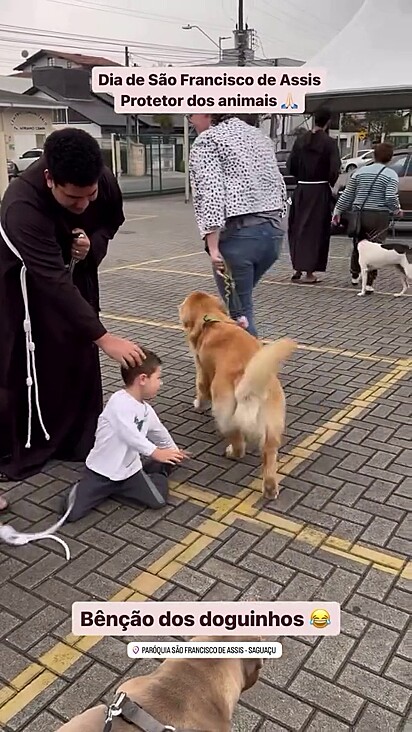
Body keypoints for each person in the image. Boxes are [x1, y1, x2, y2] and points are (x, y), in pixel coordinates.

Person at [0, 128, 145, 488]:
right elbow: (50, 280)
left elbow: (111, 222)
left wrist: (90, 244)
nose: (84, 204)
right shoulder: (22, 204)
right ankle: (30, 442)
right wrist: (104, 337)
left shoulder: (99, 179)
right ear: (50, 179)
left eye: (90, 195)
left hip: (76, 279)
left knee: (77, 356)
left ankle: (75, 440)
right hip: (26, 289)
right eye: (73, 198)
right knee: (29, 362)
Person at [188, 113, 287, 338]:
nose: (190, 122)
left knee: (239, 314)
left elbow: (210, 193)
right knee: (243, 303)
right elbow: (279, 186)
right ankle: (246, 366)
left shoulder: (208, 141)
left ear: (206, 111)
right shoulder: (260, 137)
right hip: (272, 234)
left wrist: (212, 248)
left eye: (190, 115)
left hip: (239, 238)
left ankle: (252, 369)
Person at [64, 349, 186, 521]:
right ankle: (86, 488)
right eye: (158, 378)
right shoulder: (118, 402)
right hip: (101, 472)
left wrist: (172, 451)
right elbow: (129, 434)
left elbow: (159, 432)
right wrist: (155, 452)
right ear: (142, 379)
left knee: (158, 500)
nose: (161, 383)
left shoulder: (146, 409)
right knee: (71, 514)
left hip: (130, 472)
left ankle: (157, 469)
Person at [332, 142, 402, 292]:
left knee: (359, 244)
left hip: (360, 213)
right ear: (389, 158)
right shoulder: (391, 175)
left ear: (374, 155)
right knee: (375, 248)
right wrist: (396, 210)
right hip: (379, 216)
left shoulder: (359, 172)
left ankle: (355, 274)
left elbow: (348, 194)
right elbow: (390, 196)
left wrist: (337, 210)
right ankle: (369, 283)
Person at [287, 108, 341, 284]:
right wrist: (328, 182)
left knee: (298, 229)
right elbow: (334, 169)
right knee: (315, 231)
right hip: (319, 191)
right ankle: (310, 273)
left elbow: (291, 165)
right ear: (328, 123)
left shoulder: (300, 141)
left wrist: (301, 178)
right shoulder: (330, 143)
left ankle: (297, 267)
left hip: (301, 190)